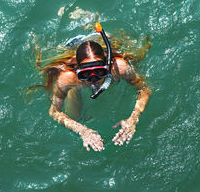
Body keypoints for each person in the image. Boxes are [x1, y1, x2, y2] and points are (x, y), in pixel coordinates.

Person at [29, 22, 151, 151]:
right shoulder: (69, 78)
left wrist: (133, 119)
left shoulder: (119, 68)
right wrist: (83, 130)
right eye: (86, 74)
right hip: (73, 46)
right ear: (78, 70)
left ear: (107, 66)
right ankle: (80, 19)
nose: (94, 80)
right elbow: (54, 111)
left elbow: (144, 89)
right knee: (74, 117)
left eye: (99, 72)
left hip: (100, 46)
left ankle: (90, 20)